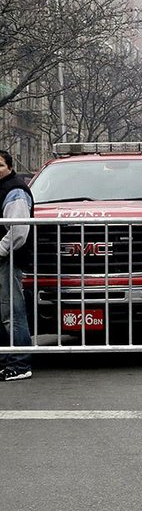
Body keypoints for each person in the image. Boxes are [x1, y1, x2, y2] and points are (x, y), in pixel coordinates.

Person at [0, 150, 34, 381]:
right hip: (4, 258)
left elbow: (19, 231)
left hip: (8, 260)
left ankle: (20, 363)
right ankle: (8, 360)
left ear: (10, 167)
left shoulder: (15, 190)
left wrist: (0, 250)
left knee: (12, 312)